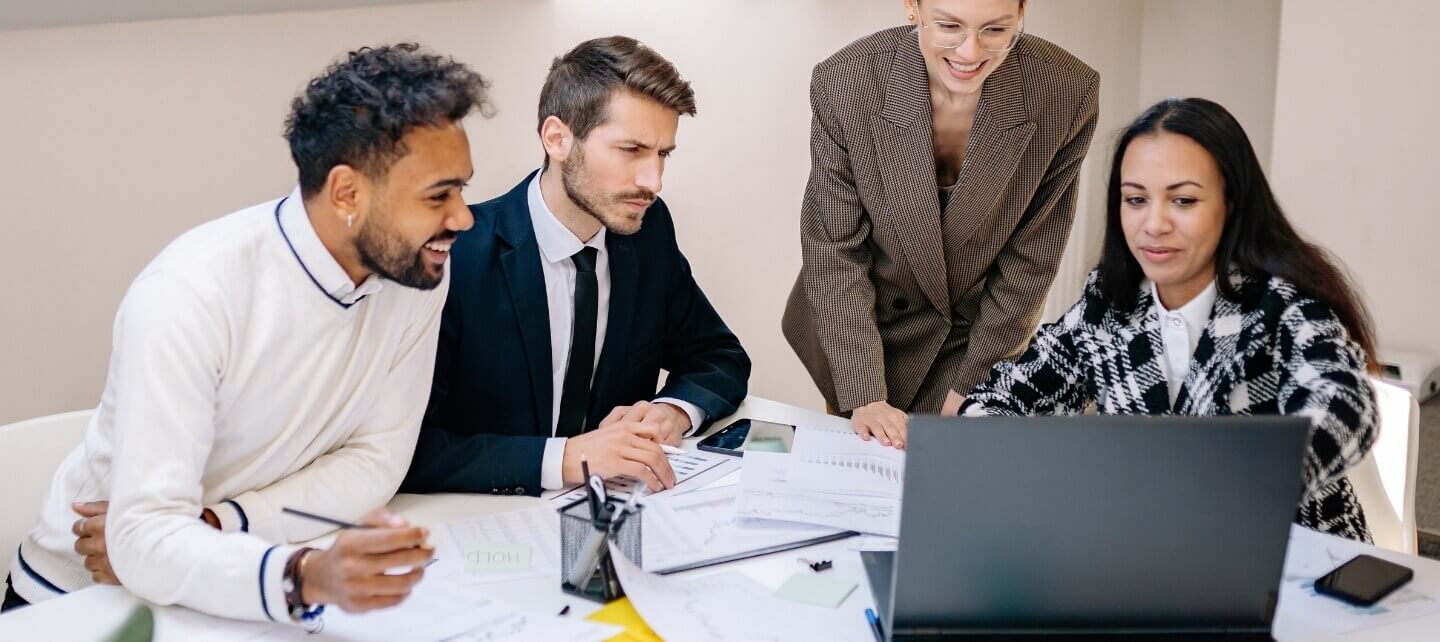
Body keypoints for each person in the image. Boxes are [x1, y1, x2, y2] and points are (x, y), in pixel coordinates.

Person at [3, 43, 491, 623]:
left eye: (461, 188)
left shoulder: (417, 271)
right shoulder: (190, 293)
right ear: (346, 194)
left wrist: (219, 525)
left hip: (233, 580)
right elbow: (139, 537)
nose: (463, 217)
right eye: (438, 195)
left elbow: (377, 459)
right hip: (82, 600)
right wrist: (305, 576)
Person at [960, 97, 1379, 542]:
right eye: (1136, 199)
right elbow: (999, 400)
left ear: (1231, 203)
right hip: (1155, 559)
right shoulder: (1109, 301)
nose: (1154, 224)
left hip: (1294, 559)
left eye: (1183, 200)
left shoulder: (1284, 301)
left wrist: (1252, 480)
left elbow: (1344, 404)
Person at [401, 36, 750, 497]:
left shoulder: (648, 230)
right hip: (484, 522)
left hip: (619, 512)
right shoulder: (456, 255)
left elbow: (719, 358)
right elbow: (411, 450)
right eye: (631, 150)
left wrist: (672, 411)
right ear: (558, 138)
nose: (654, 181)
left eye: (662, 154)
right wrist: (564, 458)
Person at [782, 0, 1099, 449]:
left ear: (1023, 12)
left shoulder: (1067, 93)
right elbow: (834, 251)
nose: (970, 52)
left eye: (994, 29)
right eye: (949, 25)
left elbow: (1030, 263)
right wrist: (864, 393)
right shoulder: (846, 81)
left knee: (948, 482)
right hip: (857, 324)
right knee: (857, 477)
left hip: (970, 334)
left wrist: (971, 388)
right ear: (912, 7)